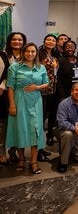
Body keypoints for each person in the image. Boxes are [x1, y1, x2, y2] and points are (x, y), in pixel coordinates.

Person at [6, 43, 49, 174]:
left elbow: (46, 83)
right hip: (20, 100)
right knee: (21, 129)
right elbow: (10, 86)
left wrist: (37, 87)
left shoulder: (40, 67)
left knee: (35, 130)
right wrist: (12, 104)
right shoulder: (14, 66)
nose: (30, 54)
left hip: (36, 101)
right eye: (28, 51)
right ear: (23, 52)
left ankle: (34, 162)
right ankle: (21, 159)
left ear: (36, 53)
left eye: (33, 52)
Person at [55, 82, 78, 173]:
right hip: (62, 130)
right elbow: (61, 122)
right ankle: (63, 162)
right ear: (71, 92)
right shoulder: (63, 104)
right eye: (77, 90)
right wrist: (76, 129)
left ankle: (66, 148)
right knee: (68, 135)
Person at [4, 32, 27, 162]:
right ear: (9, 41)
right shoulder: (3, 55)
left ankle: (14, 152)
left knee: (17, 125)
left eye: (20, 39)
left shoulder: (26, 56)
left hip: (21, 95)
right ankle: (4, 152)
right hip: (5, 94)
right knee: (6, 124)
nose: (17, 42)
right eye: (14, 39)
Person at [38, 34, 59, 158]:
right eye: (48, 39)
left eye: (53, 40)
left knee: (51, 117)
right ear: (44, 41)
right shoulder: (40, 54)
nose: (51, 42)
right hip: (42, 91)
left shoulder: (55, 55)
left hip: (53, 91)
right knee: (40, 120)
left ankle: (44, 145)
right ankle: (39, 150)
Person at [0, 50, 10, 165]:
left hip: (3, 95)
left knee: (3, 126)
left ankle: (4, 153)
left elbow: (7, 74)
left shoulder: (3, 55)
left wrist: (2, 85)